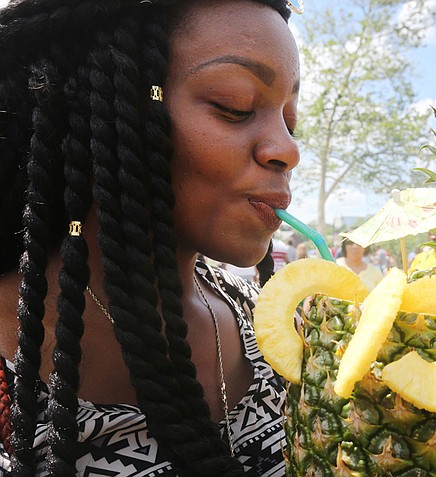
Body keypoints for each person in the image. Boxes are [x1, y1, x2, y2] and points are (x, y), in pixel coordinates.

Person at [0, 0, 300, 475]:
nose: (287, 148)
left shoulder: (271, 322)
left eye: (290, 119)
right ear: (107, 107)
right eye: (235, 106)